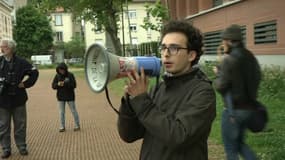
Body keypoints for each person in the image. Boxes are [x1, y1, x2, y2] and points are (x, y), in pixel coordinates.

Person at [117, 20, 216, 160]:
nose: (166, 54)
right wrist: (130, 101)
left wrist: (142, 101)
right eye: (163, 48)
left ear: (191, 55)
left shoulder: (203, 92)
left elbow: (179, 136)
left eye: (174, 48)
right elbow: (129, 135)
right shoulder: (159, 88)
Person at [213, 24, 262, 160]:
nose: (223, 44)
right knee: (239, 143)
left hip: (233, 111)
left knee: (230, 148)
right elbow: (258, 77)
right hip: (250, 109)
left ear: (229, 40)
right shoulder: (250, 56)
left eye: (224, 41)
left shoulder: (229, 60)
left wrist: (218, 74)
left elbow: (221, 86)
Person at [0, 39, 39, 158]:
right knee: (3, 126)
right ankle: (6, 148)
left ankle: (22, 146)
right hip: (2, 99)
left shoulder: (22, 62)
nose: (2, 49)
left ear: (11, 48)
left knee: (20, 124)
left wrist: (25, 84)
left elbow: (34, 72)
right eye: (1, 47)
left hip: (19, 99)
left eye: (4, 47)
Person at [52, 62, 80, 132]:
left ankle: (77, 125)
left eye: (62, 70)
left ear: (65, 69)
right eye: (60, 70)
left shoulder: (70, 75)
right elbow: (53, 86)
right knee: (61, 112)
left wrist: (65, 83)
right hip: (60, 97)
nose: (61, 71)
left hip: (70, 96)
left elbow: (74, 85)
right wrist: (58, 84)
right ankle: (62, 127)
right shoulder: (57, 76)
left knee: (73, 111)